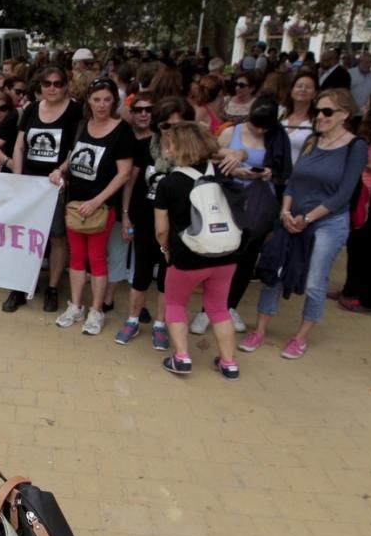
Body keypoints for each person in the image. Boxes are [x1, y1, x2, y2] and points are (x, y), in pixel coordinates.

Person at [239, 89, 366, 359]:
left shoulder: (356, 147)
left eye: (327, 112)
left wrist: (307, 218)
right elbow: (293, 181)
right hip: (293, 216)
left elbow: (343, 194)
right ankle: (260, 330)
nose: (320, 116)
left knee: (314, 281)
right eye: (318, 111)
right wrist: (285, 211)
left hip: (328, 221)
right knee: (274, 272)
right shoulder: (312, 140)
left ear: (344, 114)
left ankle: (300, 337)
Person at [189, 96, 292, 334]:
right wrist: (234, 162)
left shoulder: (277, 138)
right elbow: (208, 156)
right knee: (222, 255)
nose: (259, 130)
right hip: (227, 199)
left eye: (264, 127)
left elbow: (284, 172)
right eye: (255, 124)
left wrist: (267, 173)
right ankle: (207, 310)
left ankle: (230, 306)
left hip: (259, 204)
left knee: (246, 258)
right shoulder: (231, 132)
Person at [0, 65, 82, 313]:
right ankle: (19, 286)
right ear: (40, 86)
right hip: (30, 184)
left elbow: (77, 148)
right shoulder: (30, 109)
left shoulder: (75, 110)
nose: (52, 88)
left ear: (66, 85)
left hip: (56, 185)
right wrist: (19, 178)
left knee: (57, 236)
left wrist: (61, 170)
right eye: (47, 83)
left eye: (58, 83)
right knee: (25, 236)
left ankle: (52, 287)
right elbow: (19, 146)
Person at [154, 122, 241, 379]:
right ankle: (229, 363)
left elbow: (161, 228)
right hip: (226, 253)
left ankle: (181, 358)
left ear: (177, 147)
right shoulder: (223, 174)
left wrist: (165, 249)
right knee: (219, 308)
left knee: (176, 304)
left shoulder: (169, 183)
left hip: (187, 255)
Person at [54, 77, 135, 335]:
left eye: (107, 100)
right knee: (76, 257)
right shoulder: (81, 125)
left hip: (100, 206)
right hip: (75, 203)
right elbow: (72, 157)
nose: (101, 105)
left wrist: (97, 201)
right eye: (97, 99)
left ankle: (96, 310)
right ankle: (76, 305)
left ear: (115, 101)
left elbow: (124, 173)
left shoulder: (122, 131)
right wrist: (60, 170)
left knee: (97, 257)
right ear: (89, 100)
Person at [115, 95, 182, 349]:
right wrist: (125, 214)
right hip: (144, 217)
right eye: (165, 125)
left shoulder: (190, 152)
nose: (170, 131)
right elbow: (130, 181)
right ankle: (133, 319)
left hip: (174, 223)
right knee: (141, 272)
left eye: (176, 126)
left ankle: (160, 324)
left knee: (166, 276)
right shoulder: (144, 147)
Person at [336, 93, 371, 312]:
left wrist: (363, 162)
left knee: (366, 249)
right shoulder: (367, 131)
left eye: (369, 103)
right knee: (355, 245)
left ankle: (365, 297)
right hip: (360, 193)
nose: (365, 106)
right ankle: (349, 290)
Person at [280, 72, 319, 164]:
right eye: (299, 86)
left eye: (308, 87)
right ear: (291, 90)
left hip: (300, 173)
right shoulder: (280, 115)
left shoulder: (317, 120)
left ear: (315, 93)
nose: (303, 89)